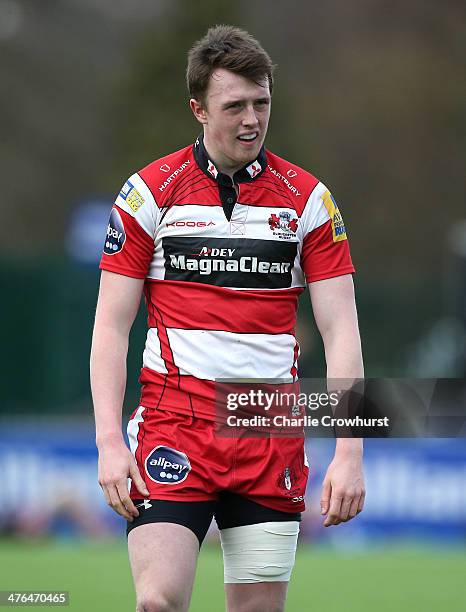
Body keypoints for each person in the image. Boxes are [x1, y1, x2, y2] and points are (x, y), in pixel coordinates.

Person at [90, 24, 365, 612]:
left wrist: (350, 451)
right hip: (173, 426)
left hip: (268, 431)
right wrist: (109, 441)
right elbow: (110, 328)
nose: (252, 119)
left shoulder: (310, 201)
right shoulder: (148, 194)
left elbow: (343, 332)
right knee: (157, 602)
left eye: (261, 103)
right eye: (234, 105)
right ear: (198, 109)